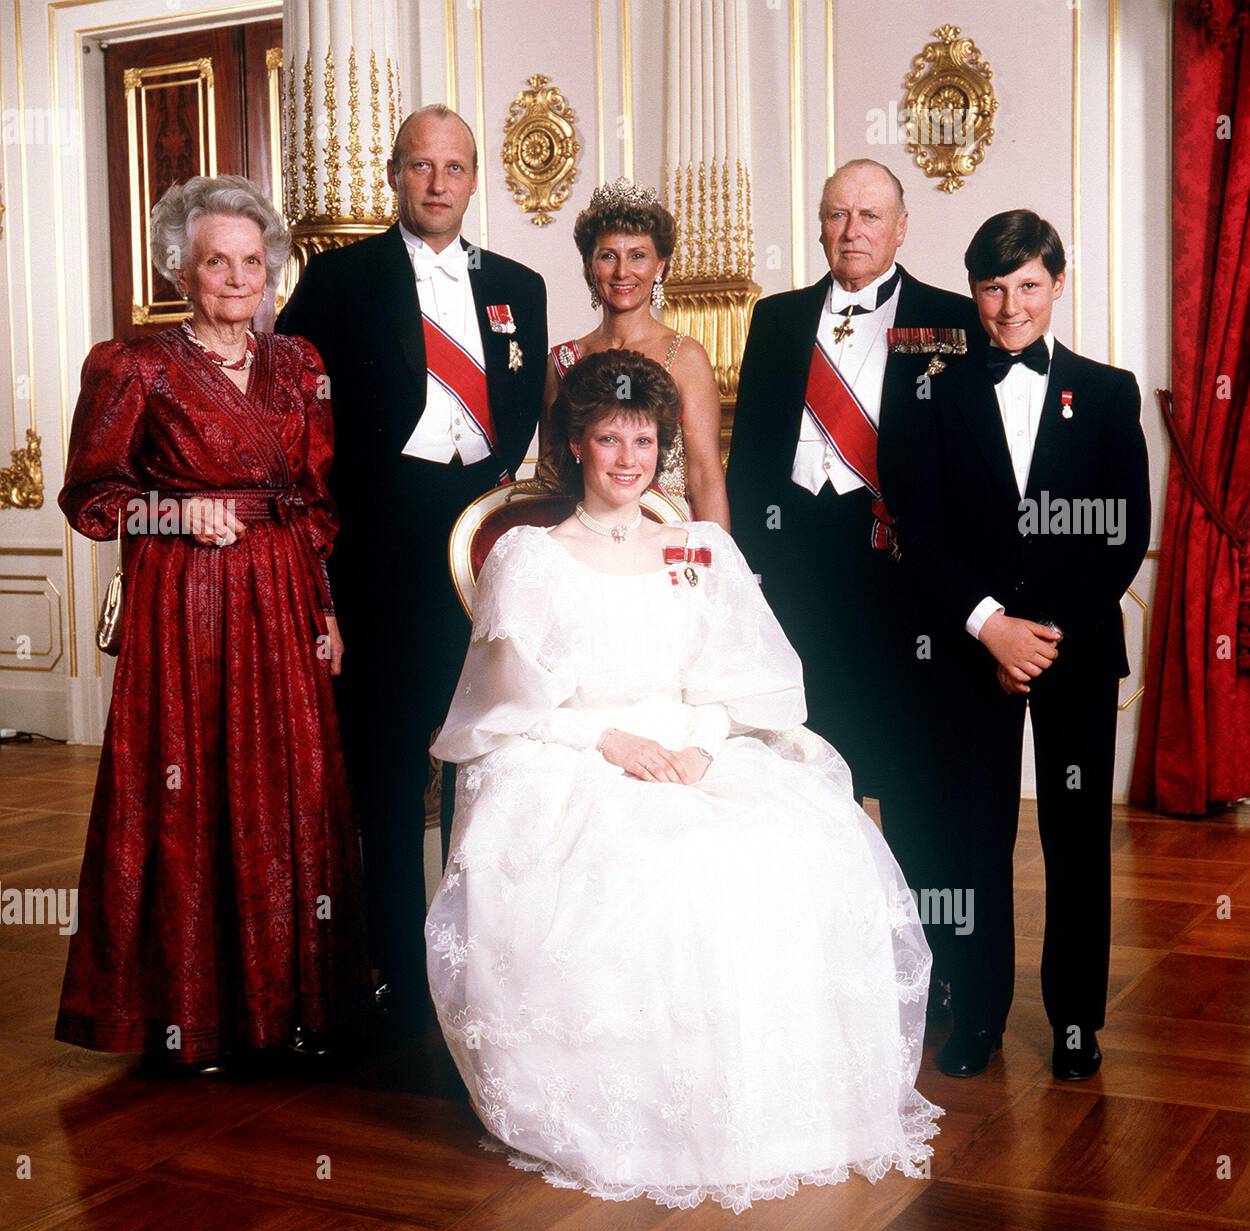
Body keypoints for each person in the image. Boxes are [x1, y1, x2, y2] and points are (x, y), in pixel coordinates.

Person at [424, 349, 941, 1212]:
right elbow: (502, 710)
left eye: (643, 440)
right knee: (651, 868)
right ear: (575, 446)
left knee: (789, 839)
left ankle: (773, 1103)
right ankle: (637, 1103)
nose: (627, 459)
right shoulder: (529, 557)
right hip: (575, 751)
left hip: (696, 741)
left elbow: (747, 679)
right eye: (607, 439)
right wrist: (609, 740)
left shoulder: (698, 549)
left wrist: (702, 743)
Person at [56, 174, 369, 1071]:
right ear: (182, 273)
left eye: (252, 261)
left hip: (281, 595)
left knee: (291, 789)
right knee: (187, 795)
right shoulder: (133, 364)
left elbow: (314, 502)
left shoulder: (301, 365)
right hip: (182, 599)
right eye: (215, 263)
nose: (238, 278)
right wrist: (174, 512)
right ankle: (189, 1017)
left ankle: (294, 1006)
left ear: (271, 270)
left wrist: (327, 611)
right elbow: (91, 500)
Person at [276, 104, 548, 1027]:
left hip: (483, 545)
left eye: (456, 167)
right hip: (380, 551)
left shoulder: (522, 283)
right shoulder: (340, 277)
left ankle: (486, 964)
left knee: (489, 760)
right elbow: (296, 403)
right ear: (394, 176)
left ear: (476, 180)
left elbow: (516, 412)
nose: (438, 183)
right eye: (422, 166)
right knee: (390, 769)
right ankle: (390, 968)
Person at [881, 210, 1150, 1080]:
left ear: (1057, 285)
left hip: (1070, 650)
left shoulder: (1110, 393)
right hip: (968, 650)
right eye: (993, 288)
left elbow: (1119, 534)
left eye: (1027, 285)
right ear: (972, 291)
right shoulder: (928, 388)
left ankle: (1076, 1023)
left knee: (1076, 839)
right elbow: (919, 532)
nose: (1009, 308)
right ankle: (980, 1017)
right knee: (975, 839)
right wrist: (989, 627)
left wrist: (1039, 640)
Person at [726, 159, 982, 1015]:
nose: (852, 231)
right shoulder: (777, 318)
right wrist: (749, 573)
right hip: (800, 583)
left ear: (902, 226)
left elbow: (968, 465)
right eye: (837, 215)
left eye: (870, 215)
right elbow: (752, 457)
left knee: (914, 784)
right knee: (810, 776)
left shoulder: (949, 320)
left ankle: (935, 975)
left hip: (906, 587)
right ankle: (822, 975)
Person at [535, 177, 728, 526]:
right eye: (608, 256)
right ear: (589, 267)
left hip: (665, 534)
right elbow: (551, 479)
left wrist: (716, 566)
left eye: (637, 256)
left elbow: (705, 476)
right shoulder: (561, 361)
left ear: (659, 267)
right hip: (582, 540)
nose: (622, 271)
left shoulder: (686, 357)